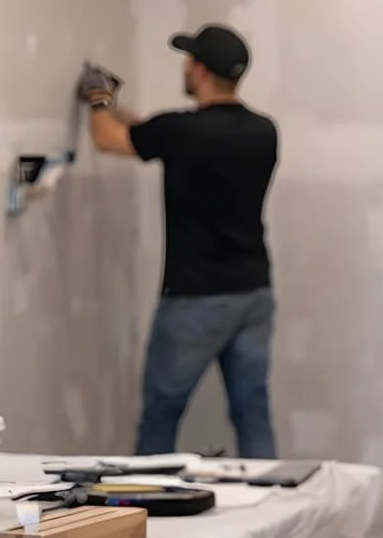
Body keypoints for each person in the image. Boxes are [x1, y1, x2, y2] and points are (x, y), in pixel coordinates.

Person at [80, 25, 281, 458]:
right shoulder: (263, 131)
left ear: (201, 71)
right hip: (253, 293)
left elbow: (107, 139)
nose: (185, 68)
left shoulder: (182, 132)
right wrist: (120, 110)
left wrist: (97, 97)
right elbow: (153, 133)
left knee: (161, 414)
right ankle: (274, 493)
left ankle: (145, 497)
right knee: (252, 411)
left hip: (194, 299)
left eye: (189, 61)